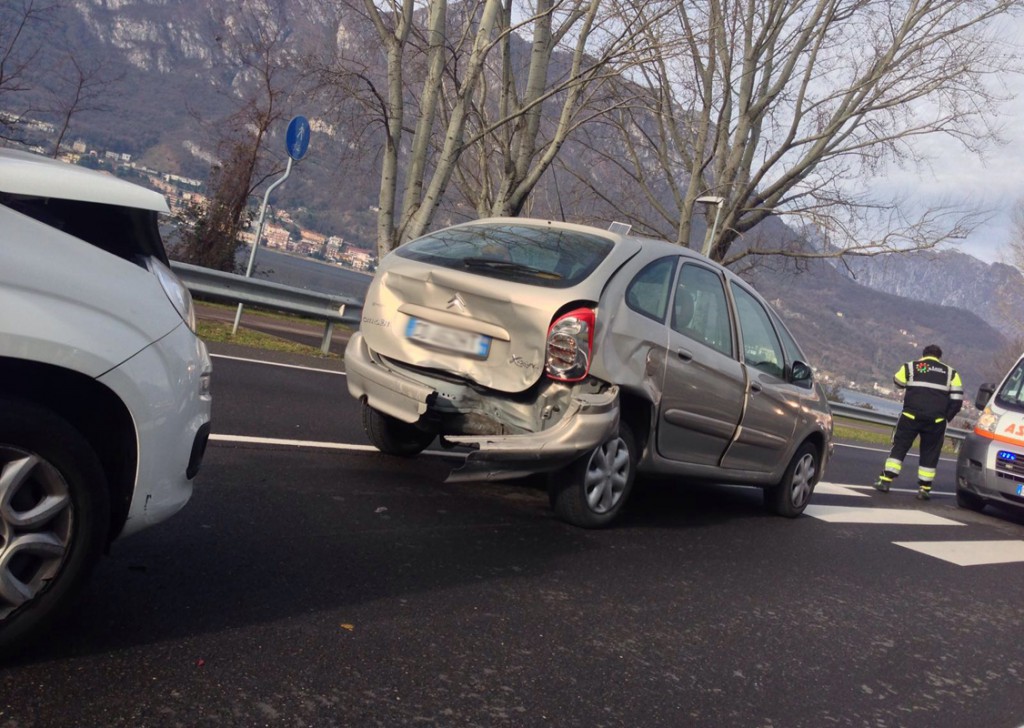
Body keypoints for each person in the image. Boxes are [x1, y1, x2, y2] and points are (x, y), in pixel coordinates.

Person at [873, 344, 964, 500]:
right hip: (936, 420)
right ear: (939, 357)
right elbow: (957, 401)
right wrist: (945, 418)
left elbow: (898, 382)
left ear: (924, 355)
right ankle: (924, 489)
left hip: (910, 416)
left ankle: (885, 481)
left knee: (900, 446)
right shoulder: (951, 373)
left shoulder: (912, 366)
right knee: (930, 452)